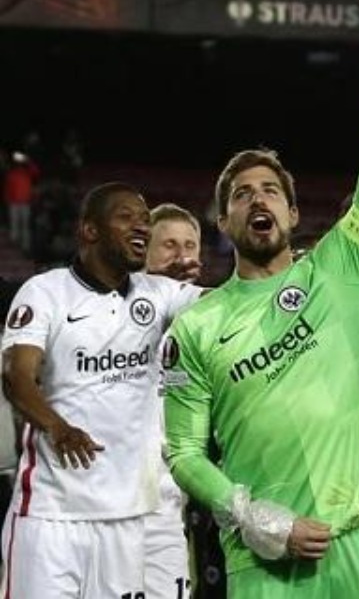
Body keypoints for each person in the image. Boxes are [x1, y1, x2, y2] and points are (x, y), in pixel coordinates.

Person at [161, 0, 359, 596]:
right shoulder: (197, 326)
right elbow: (183, 452)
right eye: (242, 193)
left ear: (294, 212)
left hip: (352, 534)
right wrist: (255, 519)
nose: (259, 199)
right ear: (223, 221)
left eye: (271, 190)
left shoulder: (339, 265)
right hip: (265, 557)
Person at [0, 182, 203, 598]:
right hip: (52, 515)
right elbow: (16, 376)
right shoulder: (46, 292)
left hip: (126, 520)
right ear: (89, 230)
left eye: (146, 219)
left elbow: (225, 305)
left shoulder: (159, 295)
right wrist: (58, 428)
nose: (142, 226)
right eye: (127, 216)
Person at [144, 202, 205, 599]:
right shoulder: (112, 314)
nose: (182, 257)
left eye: (190, 246)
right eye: (169, 246)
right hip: (96, 510)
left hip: (169, 512)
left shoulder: (209, 326)